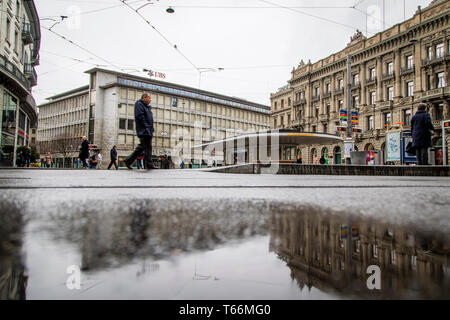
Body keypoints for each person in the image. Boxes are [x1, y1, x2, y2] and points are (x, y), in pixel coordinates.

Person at [124, 93, 158, 170]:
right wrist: (146, 127)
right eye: (149, 98)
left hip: (147, 130)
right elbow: (140, 116)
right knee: (147, 147)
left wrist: (151, 128)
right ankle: (148, 164)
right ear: (144, 98)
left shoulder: (146, 107)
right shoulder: (139, 104)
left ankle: (128, 161)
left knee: (143, 147)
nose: (150, 100)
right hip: (144, 130)